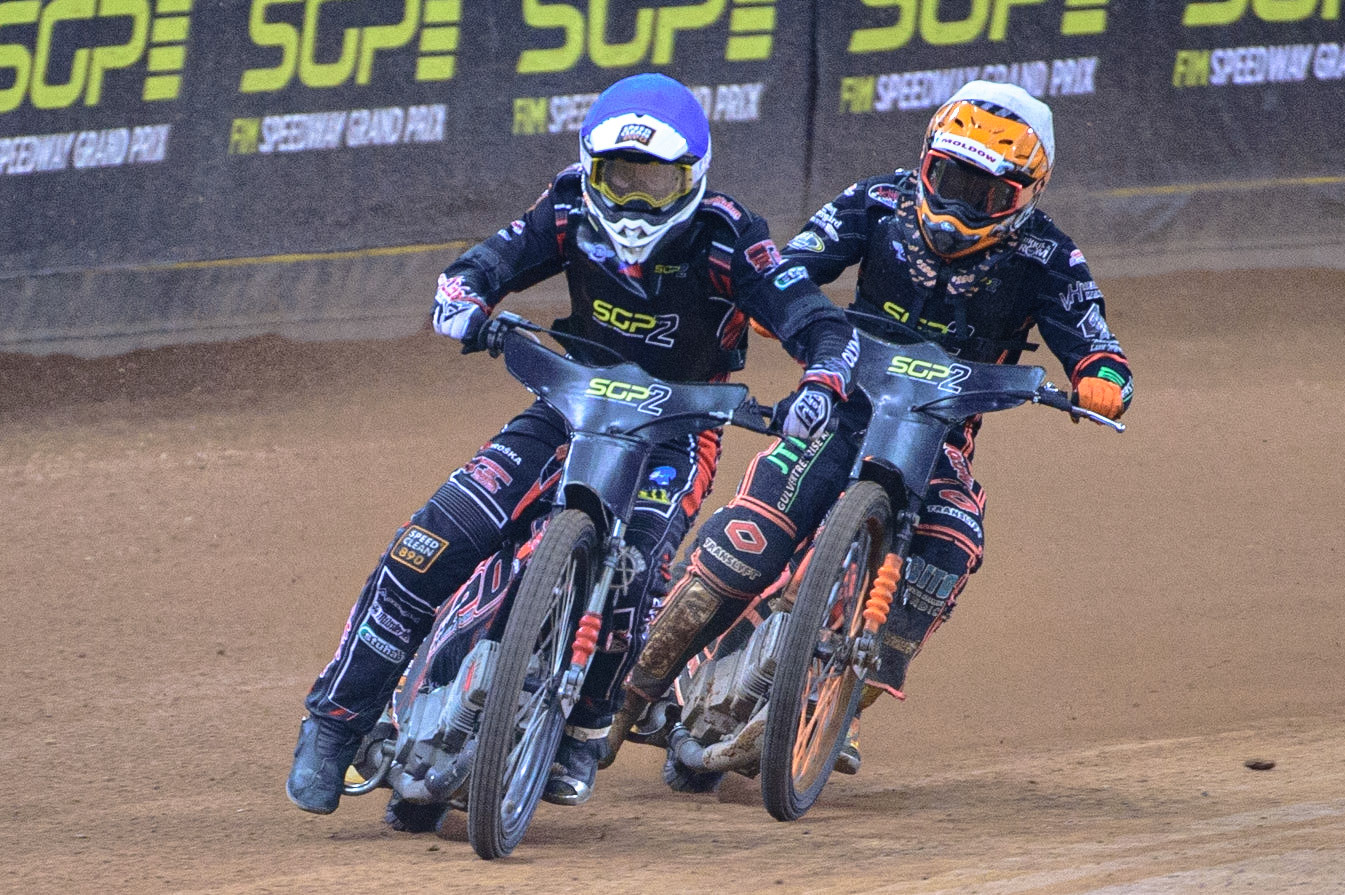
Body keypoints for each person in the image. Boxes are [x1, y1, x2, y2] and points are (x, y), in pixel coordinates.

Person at [285, 72, 859, 820]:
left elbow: (818, 321)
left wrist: (821, 381)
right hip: (565, 407)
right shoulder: (563, 205)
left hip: (674, 435)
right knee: (427, 543)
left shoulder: (728, 236)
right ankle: (335, 724)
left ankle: (582, 732)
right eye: (620, 177)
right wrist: (463, 296)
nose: (634, 200)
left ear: (692, 176)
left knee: (639, 571)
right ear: (592, 170)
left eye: (655, 181)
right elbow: (489, 260)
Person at [608, 79, 1134, 789]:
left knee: (951, 540)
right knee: (750, 542)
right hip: (840, 404)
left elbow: (1096, 341)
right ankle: (622, 696)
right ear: (925, 163)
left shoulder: (1047, 257)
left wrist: (1101, 374)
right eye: (948, 180)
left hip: (935, 437)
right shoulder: (876, 202)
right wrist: (779, 301)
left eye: (987, 196)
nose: (957, 207)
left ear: (1026, 195)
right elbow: (790, 266)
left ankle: (845, 696)